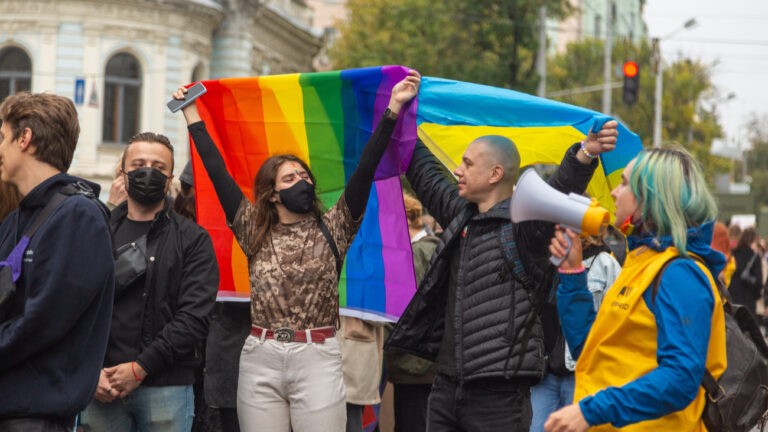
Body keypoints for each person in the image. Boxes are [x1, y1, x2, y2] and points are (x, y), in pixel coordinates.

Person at [172, 69, 421, 431]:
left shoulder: (335, 227)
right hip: (260, 356)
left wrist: (393, 108)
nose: (301, 182)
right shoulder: (252, 228)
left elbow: (365, 168)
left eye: (305, 177)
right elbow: (216, 172)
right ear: (272, 194)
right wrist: (190, 112)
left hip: (317, 357)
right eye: (290, 179)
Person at [386, 119, 618, 430]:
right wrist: (397, 116)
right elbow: (426, 174)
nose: (458, 171)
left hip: (500, 396)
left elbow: (560, 188)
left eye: (467, 164)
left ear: (495, 174)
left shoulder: (528, 229)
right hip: (445, 388)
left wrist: (585, 154)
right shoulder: (460, 216)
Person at [544, 146, 727, 431]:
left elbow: (680, 378)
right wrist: (572, 274)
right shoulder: (640, 262)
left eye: (625, 184)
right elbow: (590, 350)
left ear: (651, 198)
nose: (615, 193)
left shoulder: (680, 274)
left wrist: (591, 411)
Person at [81, 132, 220, 432]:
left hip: (166, 388)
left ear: (170, 178)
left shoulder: (193, 240)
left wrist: (141, 368)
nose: (148, 172)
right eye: (140, 163)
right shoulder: (96, 231)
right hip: (101, 386)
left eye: (158, 166)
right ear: (123, 172)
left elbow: (195, 318)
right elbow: (76, 307)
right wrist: (89, 372)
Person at [0, 92, 114, 431]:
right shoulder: (18, 217)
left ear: (25, 139)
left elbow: (43, 322)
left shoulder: (78, 216)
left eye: (2, 138)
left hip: (35, 417)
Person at [529, 234, 620, 432]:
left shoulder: (605, 263)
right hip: (546, 370)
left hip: (579, 370)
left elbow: (615, 322)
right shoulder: (549, 262)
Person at [385, 193, 438, 431]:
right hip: (428, 361)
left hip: (414, 363)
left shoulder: (414, 254)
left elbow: (403, 308)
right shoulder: (434, 248)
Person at [728, 226, 763, 319]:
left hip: (733, 300)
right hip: (749, 303)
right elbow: (759, 283)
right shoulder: (755, 257)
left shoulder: (732, 255)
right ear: (753, 241)